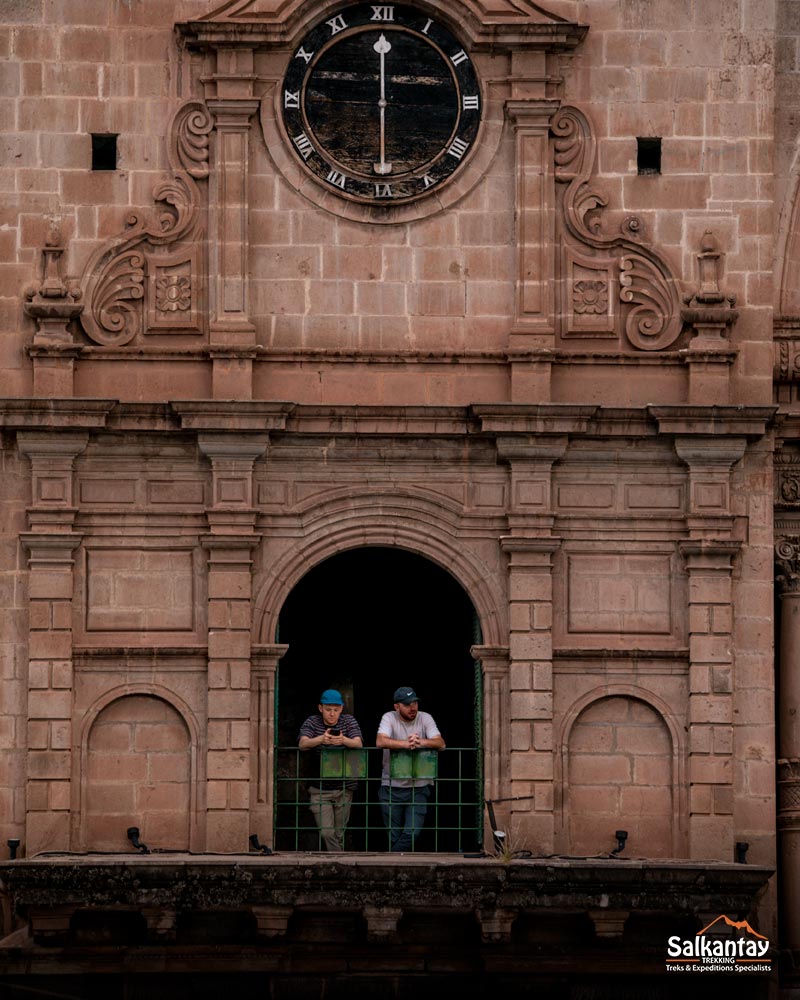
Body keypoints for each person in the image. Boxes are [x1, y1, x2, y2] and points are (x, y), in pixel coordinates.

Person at [376, 686, 445, 852]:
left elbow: (440, 744)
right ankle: (396, 867)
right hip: (391, 786)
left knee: (412, 832)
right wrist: (406, 744)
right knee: (393, 834)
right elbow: (380, 741)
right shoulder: (389, 717)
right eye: (407, 704)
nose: (413, 707)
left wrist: (421, 742)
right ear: (396, 707)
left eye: (414, 702)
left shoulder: (425, 718)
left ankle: (389, 860)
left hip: (419, 787)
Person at [298, 689, 363, 851]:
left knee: (339, 833)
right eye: (328, 710)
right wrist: (321, 739)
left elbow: (358, 743)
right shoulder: (312, 722)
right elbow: (303, 743)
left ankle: (336, 862)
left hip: (344, 787)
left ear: (341, 708)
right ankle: (339, 861)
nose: (332, 714)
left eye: (336, 710)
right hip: (319, 788)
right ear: (320, 708)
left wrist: (342, 740)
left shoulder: (349, 721)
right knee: (327, 832)